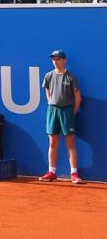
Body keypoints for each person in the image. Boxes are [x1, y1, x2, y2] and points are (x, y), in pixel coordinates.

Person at [39, 50, 83, 184]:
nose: (55, 61)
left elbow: (78, 98)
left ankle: (74, 173)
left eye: (58, 59)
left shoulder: (71, 77)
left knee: (70, 142)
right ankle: (52, 172)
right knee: (53, 142)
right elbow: (47, 90)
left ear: (65, 60)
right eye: (53, 59)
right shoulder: (48, 76)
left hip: (67, 111)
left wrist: (71, 112)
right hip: (52, 111)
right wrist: (50, 101)